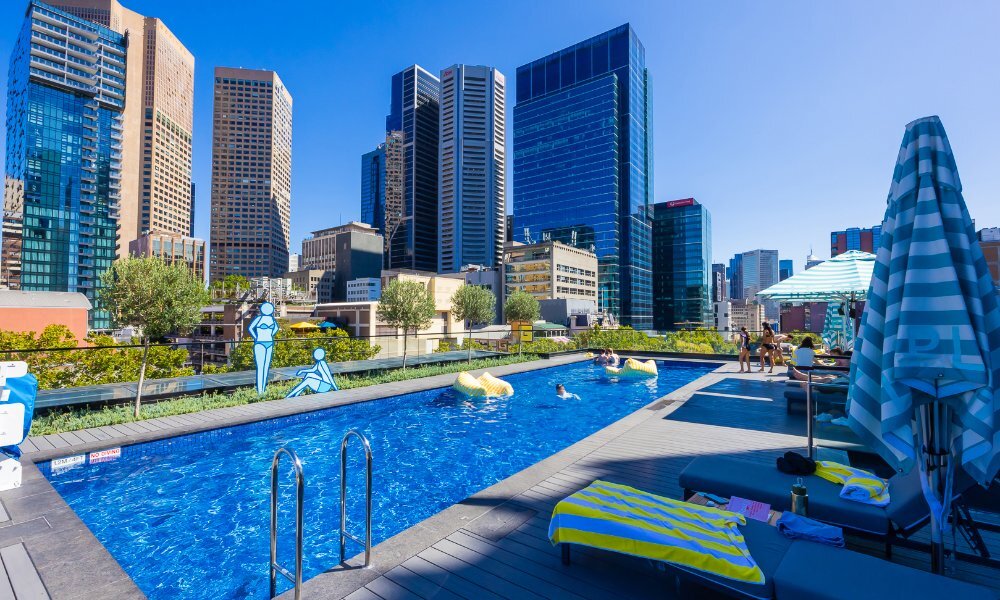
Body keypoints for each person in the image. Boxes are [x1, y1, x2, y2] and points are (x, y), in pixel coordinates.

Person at [248, 302, 279, 395]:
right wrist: (256, 337)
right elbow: (250, 328)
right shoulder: (259, 318)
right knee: (260, 367)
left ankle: (263, 390)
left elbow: (276, 328)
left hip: (269, 343)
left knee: (266, 367)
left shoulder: (271, 319)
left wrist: (270, 335)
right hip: (260, 344)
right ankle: (260, 391)